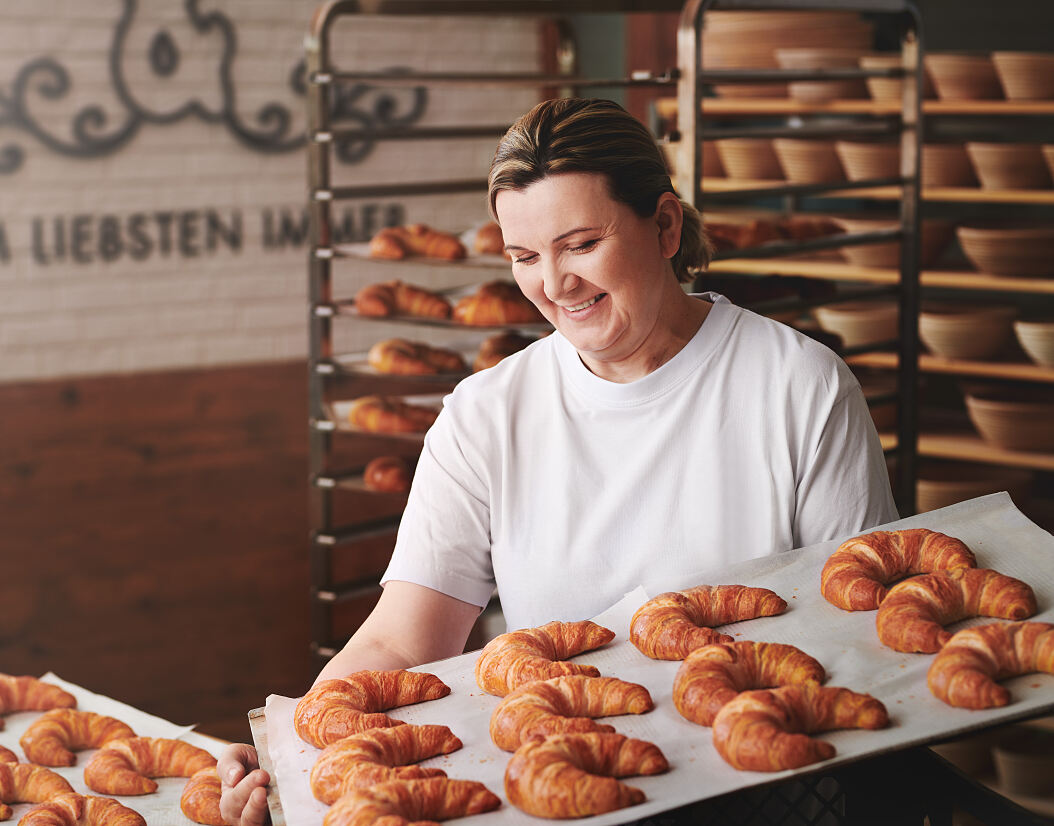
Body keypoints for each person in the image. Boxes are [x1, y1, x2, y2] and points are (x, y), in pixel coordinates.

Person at [218, 97, 898, 825]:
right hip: (560, 795)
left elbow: (860, 631)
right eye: (524, 256)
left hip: (770, 789)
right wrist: (286, 752)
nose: (554, 283)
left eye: (579, 244)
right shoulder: (487, 415)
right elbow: (400, 638)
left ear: (664, 226)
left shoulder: (799, 385)